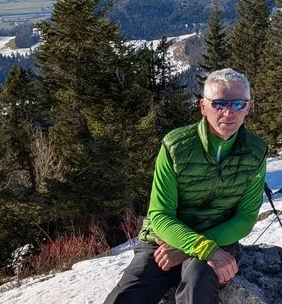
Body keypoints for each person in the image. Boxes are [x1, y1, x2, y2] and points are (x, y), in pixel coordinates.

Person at [104, 69, 268, 304]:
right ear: (203, 106)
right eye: (219, 103)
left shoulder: (256, 151)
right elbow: (160, 215)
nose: (228, 112)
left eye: (238, 104)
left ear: (248, 107)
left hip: (216, 236)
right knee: (126, 296)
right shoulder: (176, 146)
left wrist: (196, 248)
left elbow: (245, 217)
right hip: (163, 241)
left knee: (197, 281)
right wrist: (200, 246)